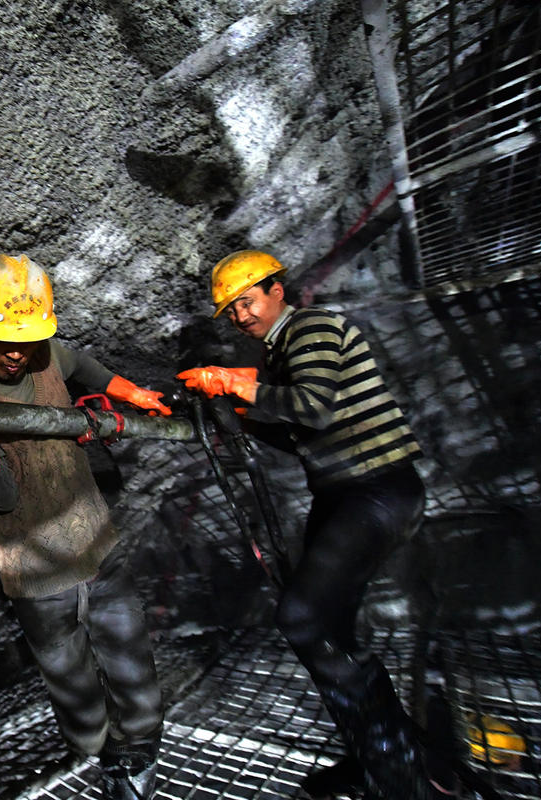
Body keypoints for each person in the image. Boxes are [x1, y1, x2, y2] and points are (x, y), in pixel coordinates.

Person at [176, 250, 448, 800]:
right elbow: (295, 434)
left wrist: (234, 385)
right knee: (331, 633)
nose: (241, 317)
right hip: (344, 495)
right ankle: (380, 757)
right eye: (231, 311)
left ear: (278, 290)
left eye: (246, 301)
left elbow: (312, 408)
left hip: (374, 490)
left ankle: (399, 774)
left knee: (304, 619)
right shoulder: (283, 355)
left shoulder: (313, 328)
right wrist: (231, 408)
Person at [0, 254, 170, 800]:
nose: (16, 352)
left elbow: (86, 368)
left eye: (28, 339)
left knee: (131, 661)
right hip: (34, 570)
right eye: (5, 339)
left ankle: (140, 748)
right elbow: (1, 499)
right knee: (70, 678)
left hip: (97, 547)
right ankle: (96, 754)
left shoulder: (45, 355)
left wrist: (130, 393)